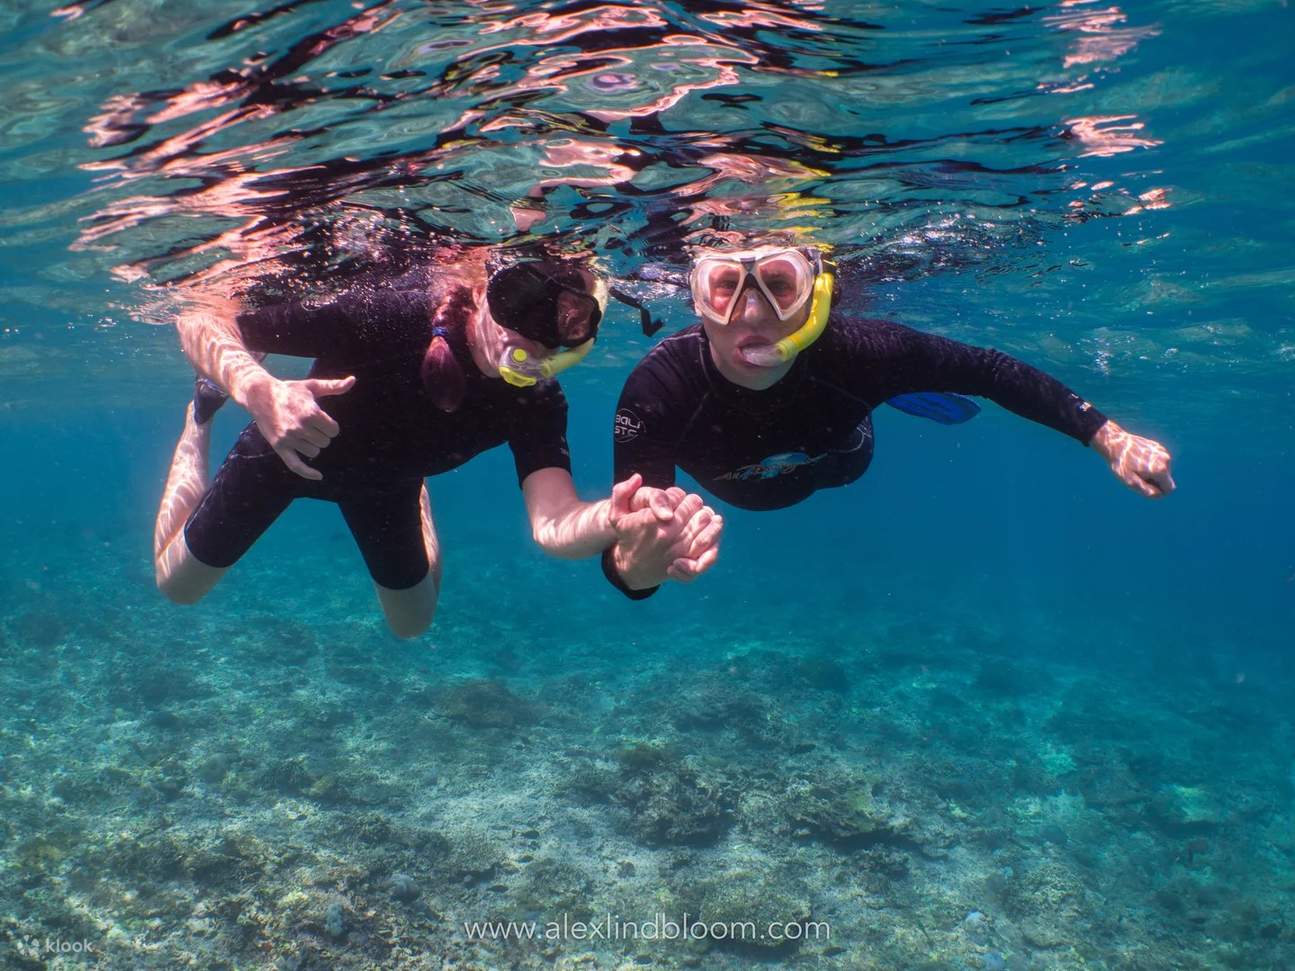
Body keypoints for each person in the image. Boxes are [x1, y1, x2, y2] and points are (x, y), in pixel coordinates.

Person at [153, 252, 722, 636]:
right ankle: (198, 418)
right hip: (286, 452)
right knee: (176, 587)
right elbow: (200, 320)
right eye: (517, 297)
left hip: (388, 482)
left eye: (567, 319)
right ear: (482, 287)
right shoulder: (387, 316)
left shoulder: (537, 401)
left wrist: (611, 520)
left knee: (412, 626)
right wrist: (255, 389)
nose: (528, 330)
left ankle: (414, 485)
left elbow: (553, 524)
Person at [603, 239, 1175, 597]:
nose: (751, 314)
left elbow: (992, 371)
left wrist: (1107, 436)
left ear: (815, 296)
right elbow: (628, 553)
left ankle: (900, 392)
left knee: (887, 390)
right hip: (751, 487)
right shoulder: (660, 388)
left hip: (843, 456)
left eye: (780, 285)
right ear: (696, 298)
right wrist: (641, 564)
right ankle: (899, 391)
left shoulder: (865, 351)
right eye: (724, 287)